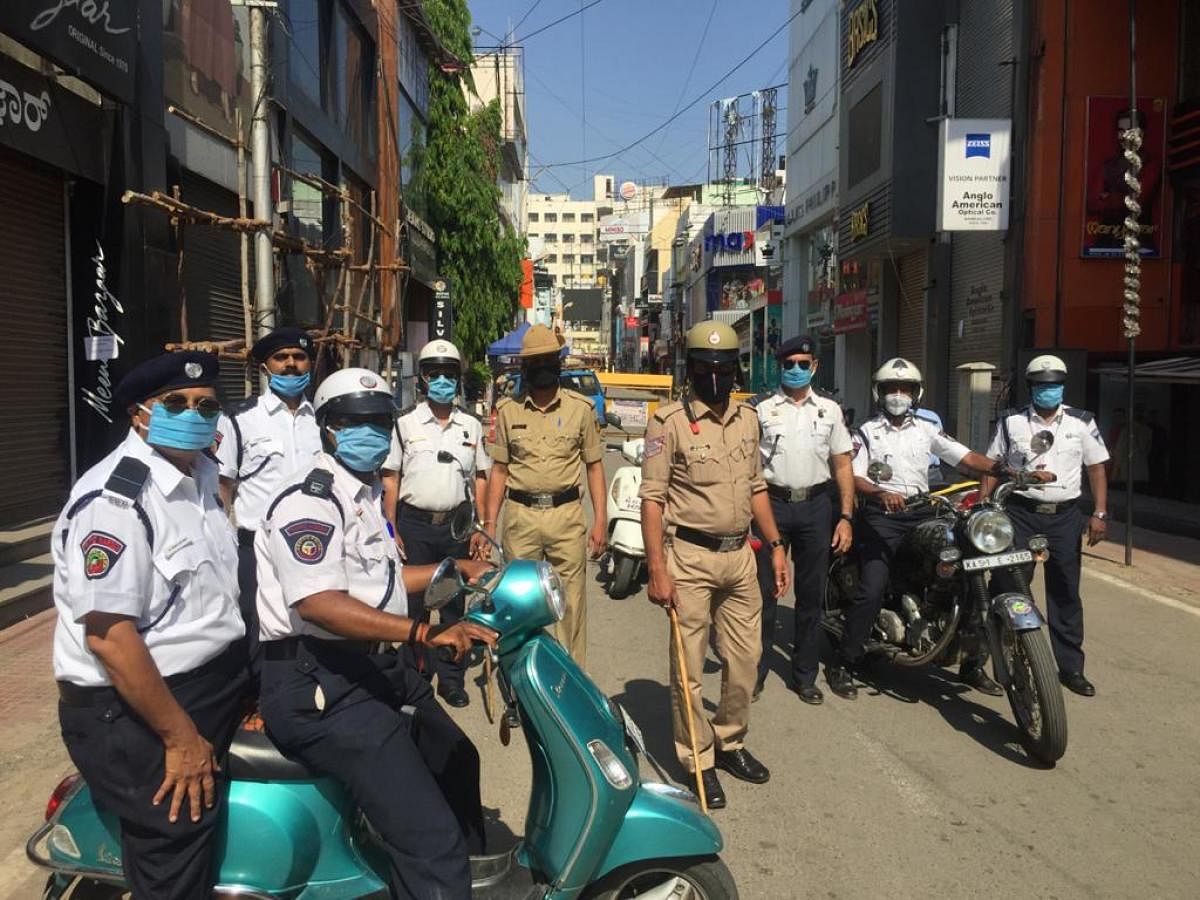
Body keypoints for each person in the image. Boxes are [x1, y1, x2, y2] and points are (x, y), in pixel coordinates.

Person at [254, 367, 497, 898]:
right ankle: (439, 872)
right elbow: (321, 605)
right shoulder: (309, 501)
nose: (370, 431)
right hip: (319, 683)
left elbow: (381, 579)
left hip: (369, 667)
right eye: (353, 421)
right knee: (432, 841)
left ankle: (459, 878)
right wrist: (423, 634)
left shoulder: (361, 496)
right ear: (328, 428)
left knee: (456, 758)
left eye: (380, 421)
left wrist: (455, 570)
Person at [52, 351, 247, 899]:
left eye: (206, 404)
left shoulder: (201, 474)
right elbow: (109, 638)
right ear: (141, 415)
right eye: (175, 403)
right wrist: (180, 737)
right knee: (175, 847)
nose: (194, 413)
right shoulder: (115, 500)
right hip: (138, 709)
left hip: (207, 682)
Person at [640, 321, 790, 809]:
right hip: (690, 559)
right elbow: (652, 500)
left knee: (745, 660)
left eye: (724, 369)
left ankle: (729, 740)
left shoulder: (748, 419)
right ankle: (698, 758)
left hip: (740, 557)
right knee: (688, 668)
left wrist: (776, 544)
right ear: (691, 370)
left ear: (735, 370)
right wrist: (657, 568)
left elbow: (757, 488)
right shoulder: (668, 423)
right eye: (705, 369)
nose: (716, 378)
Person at [832, 357, 1011, 700]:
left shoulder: (927, 429)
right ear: (879, 393)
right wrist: (880, 492)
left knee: (965, 568)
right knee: (873, 586)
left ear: (916, 393)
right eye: (891, 389)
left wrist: (1004, 469)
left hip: (922, 511)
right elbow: (854, 475)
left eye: (905, 389)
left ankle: (971, 661)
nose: (898, 395)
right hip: (881, 517)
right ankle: (845, 660)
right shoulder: (866, 433)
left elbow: (965, 457)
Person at [983, 354, 1109, 697]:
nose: (1048, 390)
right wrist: (984, 506)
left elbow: (1096, 467)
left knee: (1065, 591)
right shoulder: (1011, 423)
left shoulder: (1081, 423)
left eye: (1054, 385)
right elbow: (992, 466)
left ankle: (1071, 669)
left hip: (1065, 517)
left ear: (1062, 386)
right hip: (1020, 513)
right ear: (1031, 387)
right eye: (1041, 385)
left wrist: (1099, 513)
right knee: (1010, 584)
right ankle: (1001, 657)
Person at [484, 323, 606, 666]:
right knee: (519, 604)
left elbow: (595, 467)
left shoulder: (580, 410)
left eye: (547, 360)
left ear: (558, 362)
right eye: (533, 361)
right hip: (520, 519)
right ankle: (521, 679)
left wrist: (601, 522)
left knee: (569, 606)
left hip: (566, 519)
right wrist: (489, 524)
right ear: (524, 367)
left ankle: (570, 684)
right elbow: (499, 471)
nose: (541, 367)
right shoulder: (509, 411)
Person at [381, 339, 490, 708]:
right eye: (435, 373)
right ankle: (415, 675)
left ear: (457, 378)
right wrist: (390, 528)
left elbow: (481, 479)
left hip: (455, 526)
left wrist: (481, 526)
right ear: (423, 379)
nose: (442, 380)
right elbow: (391, 478)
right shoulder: (404, 424)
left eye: (449, 373)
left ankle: (451, 678)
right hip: (414, 525)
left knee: (453, 603)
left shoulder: (471, 426)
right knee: (413, 605)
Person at [752, 335, 855, 705]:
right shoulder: (761, 410)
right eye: (788, 363)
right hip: (771, 506)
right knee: (764, 594)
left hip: (816, 507)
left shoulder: (829, 410)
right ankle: (756, 673)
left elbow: (842, 464)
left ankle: (804, 675)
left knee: (811, 597)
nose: (795, 370)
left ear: (814, 366)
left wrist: (845, 516)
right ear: (779, 366)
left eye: (802, 363)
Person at [215, 326, 321, 667]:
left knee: (312, 623)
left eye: (299, 357)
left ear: (310, 364)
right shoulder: (238, 419)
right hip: (256, 546)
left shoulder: (324, 418)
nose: (291, 364)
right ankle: (257, 700)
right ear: (265, 367)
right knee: (256, 625)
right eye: (281, 358)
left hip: (315, 543)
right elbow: (223, 487)